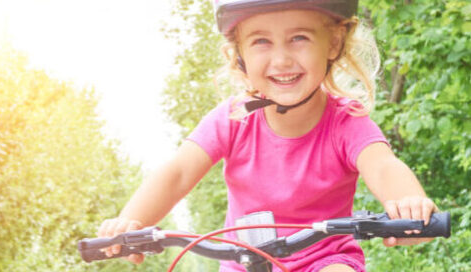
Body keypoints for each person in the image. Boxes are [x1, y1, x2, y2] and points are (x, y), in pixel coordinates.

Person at [97, 1, 438, 271]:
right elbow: (178, 173)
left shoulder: (346, 122)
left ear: (333, 43)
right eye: (261, 41)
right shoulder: (233, 119)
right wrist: (131, 222)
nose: (281, 58)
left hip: (324, 261)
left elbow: (382, 166)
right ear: (240, 54)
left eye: (299, 38)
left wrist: (409, 205)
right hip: (242, 260)